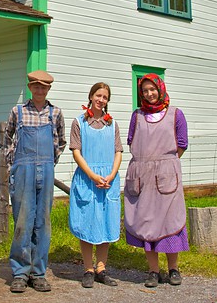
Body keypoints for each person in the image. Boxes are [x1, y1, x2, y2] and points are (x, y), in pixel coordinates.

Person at [2, 70, 66, 293]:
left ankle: (38, 273)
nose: (40, 90)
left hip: (46, 170)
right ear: (30, 88)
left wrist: (49, 164)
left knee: (43, 223)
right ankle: (20, 272)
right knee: (23, 221)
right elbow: (7, 140)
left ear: (48, 89)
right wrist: (15, 166)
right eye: (36, 86)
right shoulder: (17, 112)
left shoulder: (55, 113)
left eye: (44, 87)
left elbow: (60, 142)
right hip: (23, 170)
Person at [123, 73, 189, 288]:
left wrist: (164, 163)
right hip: (142, 176)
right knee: (146, 220)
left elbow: (182, 144)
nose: (149, 94)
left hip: (166, 176)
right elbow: (131, 140)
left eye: (153, 89)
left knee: (170, 221)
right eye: (145, 91)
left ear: (160, 89)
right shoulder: (137, 115)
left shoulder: (176, 114)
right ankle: (153, 270)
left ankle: (173, 269)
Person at [68, 82, 123, 288]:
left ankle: (101, 268)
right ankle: (88, 269)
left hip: (108, 179)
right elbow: (76, 151)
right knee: (87, 222)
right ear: (91, 96)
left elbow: (118, 151)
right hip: (87, 178)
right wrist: (91, 174)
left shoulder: (112, 124)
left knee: (106, 223)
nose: (101, 100)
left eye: (105, 97)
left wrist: (111, 174)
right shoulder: (79, 122)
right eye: (98, 96)